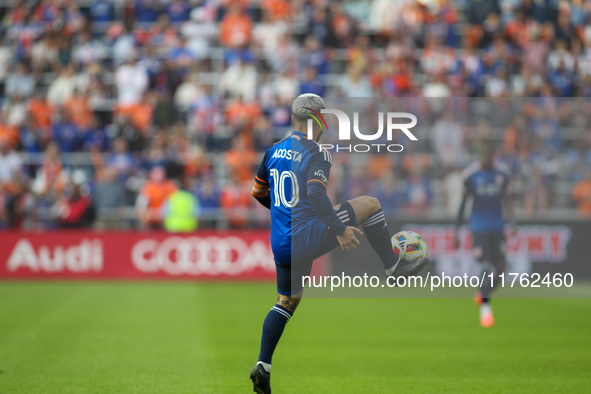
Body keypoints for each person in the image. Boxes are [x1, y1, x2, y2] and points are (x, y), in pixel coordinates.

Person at [248, 93, 429, 393]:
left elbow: (258, 191)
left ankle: (263, 365)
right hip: (307, 233)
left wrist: (285, 215)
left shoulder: (273, 151)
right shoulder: (317, 152)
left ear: (293, 119)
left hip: (281, 242)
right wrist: (339, 229)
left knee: (286, 302)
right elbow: (317, 193)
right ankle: (392, 266)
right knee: (370, 203)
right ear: (319, 122)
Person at [454, 141, 515, 328]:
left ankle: (482, 294)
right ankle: (485, 309)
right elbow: (463, 204)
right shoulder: (471, 175)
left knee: (501, 269)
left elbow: (507, 200)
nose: (487, 158)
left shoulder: (502, 174)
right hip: (478, 226)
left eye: (490, 154)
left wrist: (512, 222)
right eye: (484, 154)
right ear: (480, 156)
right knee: (486, 265)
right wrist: (457, 229)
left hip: (497, 226)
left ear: (494, 155)